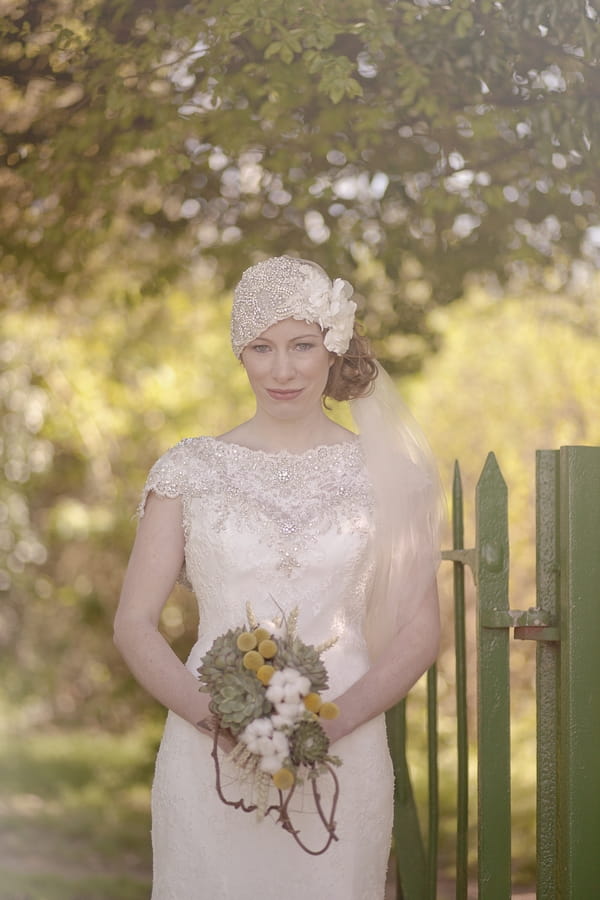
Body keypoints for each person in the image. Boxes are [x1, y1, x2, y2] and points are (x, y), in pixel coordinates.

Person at [114, 255, 443, 899]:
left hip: (343, 750)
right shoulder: (188, 472)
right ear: (240, 354)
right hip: (209, 751)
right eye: (262, 347)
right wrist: (219, 720)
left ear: (334, 349)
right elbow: (133, 624)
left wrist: (331, 723)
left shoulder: (386, 476)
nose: (283, 369)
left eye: (301, 345)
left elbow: (420, 631)